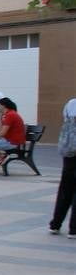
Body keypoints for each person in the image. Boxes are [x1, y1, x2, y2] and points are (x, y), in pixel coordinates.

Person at [51, 96, 76, 237]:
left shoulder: (71, 104)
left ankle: (55, 224)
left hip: (68, 151)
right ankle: (74, 228)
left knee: (65, 189)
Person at [0, 97, 26, 170]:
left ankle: (0, 156)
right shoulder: (7, 114)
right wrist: (0, 117)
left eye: (0, 105)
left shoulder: (10, 115)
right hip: (10, 141)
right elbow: (0, 129)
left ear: (4, 106)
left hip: (11, 142)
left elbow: (3, 132)